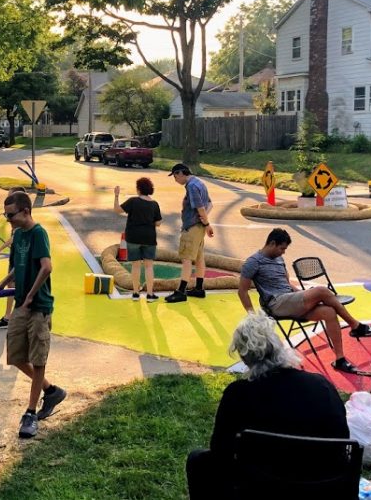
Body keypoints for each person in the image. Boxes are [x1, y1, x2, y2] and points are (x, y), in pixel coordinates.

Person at [185, 312, 349, 498]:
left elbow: (220, 451)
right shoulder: (321, 385)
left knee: (197, 460)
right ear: (279, 347)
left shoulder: (237, 394)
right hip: (325, 487)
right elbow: (342, 439)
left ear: (244, 358)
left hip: (261, 487)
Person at [239, 229, 371, 374]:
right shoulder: (253, 262)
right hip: (276, 304)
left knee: (329, 312)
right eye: (282, 248)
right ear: (272, 243)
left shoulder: (279, 259)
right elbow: (242, 291)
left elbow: (287, 284)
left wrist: (303, 294)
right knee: (321, 291)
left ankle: (340, 359)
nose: (283, 252)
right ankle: (355, 325)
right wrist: (252, 316)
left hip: (290, 299)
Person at [0, 191, 66, 438]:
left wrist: (32, 295)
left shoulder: (37, 233)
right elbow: (16, 267)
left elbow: (46, 267)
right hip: (22, 304)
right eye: (6, 214)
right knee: (15, 355)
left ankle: (31, 413)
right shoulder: (19, 234)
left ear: (25, 211)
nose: (8, 219)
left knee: (38, 358)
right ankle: (51, 390)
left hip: (38, 306)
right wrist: (2, 284)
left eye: (10, 214)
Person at [164, 164, 213, 303]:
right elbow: (210, 204)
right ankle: (199, 288)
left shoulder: (191, 186)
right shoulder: (200, 183)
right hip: (199, 227)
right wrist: (204, 222)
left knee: (186, 258)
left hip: (191, 227)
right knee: (199, 258)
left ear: (181, 173)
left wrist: (206, 222)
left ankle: (181, 291)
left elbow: (200, 208)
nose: (175, 179)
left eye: (175, 176)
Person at [113, 177, 162, 300]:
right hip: (149, 238)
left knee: (135, 266)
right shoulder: (154, 204)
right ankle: (150, 294)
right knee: (149, 266)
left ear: (139, 189)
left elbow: (117, 210)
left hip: (133, 237)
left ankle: (135, 293)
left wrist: (116, 196)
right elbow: (158, 223)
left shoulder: (133, 201)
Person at [0, 186, 27, 329]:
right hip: (15, 257)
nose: (8, 218)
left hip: (17, 258)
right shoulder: (17, 220)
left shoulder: (22, 224)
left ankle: (11, 316)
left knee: (14, 286)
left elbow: (14, 238)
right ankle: (9, 316)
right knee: (12, 286)